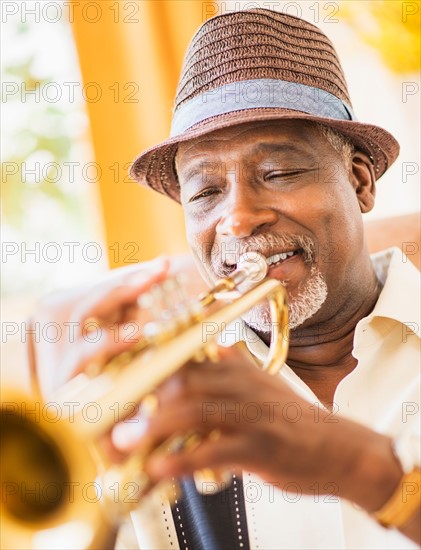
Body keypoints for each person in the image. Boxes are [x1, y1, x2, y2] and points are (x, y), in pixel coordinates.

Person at [31, 8, 420, 550]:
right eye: (205, 193)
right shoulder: (164, 404)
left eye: (279, 173)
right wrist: (87, 479)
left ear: (359, 182)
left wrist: (362, 469)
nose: (237, 220)